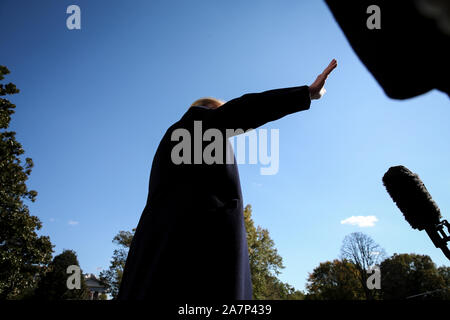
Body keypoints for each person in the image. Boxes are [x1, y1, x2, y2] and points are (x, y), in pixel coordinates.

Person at [117, 59, 338, 300]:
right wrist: (306, 94)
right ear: (211, 109)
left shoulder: (177, 141)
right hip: (199, 259)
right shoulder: (196, 123)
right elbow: (245, 109)